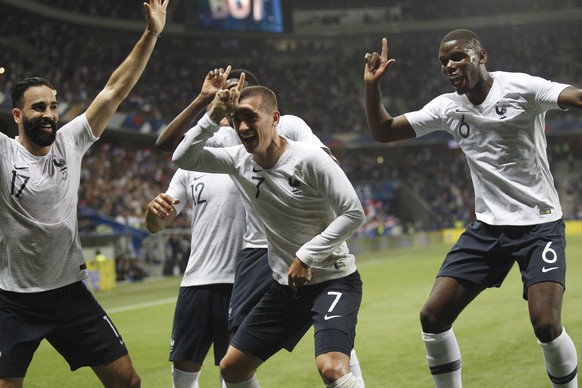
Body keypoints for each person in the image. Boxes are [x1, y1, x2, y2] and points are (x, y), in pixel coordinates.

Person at [363, 29, 580, 387]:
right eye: (443, 61)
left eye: (458, 57)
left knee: (546, 325)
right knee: (432, 317)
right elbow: (384, 132)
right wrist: (372, 86)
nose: (449, 65)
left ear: (481, 56)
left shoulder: (521, 88)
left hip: (539, 225)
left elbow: (574, 96)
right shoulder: (447, 107)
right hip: (488, 229)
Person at [156, 67, 366, 386]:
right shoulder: (237, 159)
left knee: (332, 368)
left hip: (332, 278)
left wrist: (306, 255)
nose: (242, 126)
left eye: (250, 118)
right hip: (286, 285)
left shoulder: (309, 158)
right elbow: (180, 157)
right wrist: (212, 113)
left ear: (274, 118)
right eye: (237, 119)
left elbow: (353, 212)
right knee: (232, 368)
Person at [0, 1, 168, 386]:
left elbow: (114, 90)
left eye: (53, 106)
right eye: (37, 107)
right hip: (14, 300)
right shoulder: (4, 152)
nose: (48, 113)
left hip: (70, 295)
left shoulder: (69, 142)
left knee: (128, 382)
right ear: (17, 115)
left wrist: (152, 33)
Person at [145, 168, 245, 387]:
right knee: (182, 373)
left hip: (238, 282)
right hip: (195, 281)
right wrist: (152, 212)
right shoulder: (189, 167)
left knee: (234, 371)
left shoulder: (248, 158)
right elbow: (156, 225)